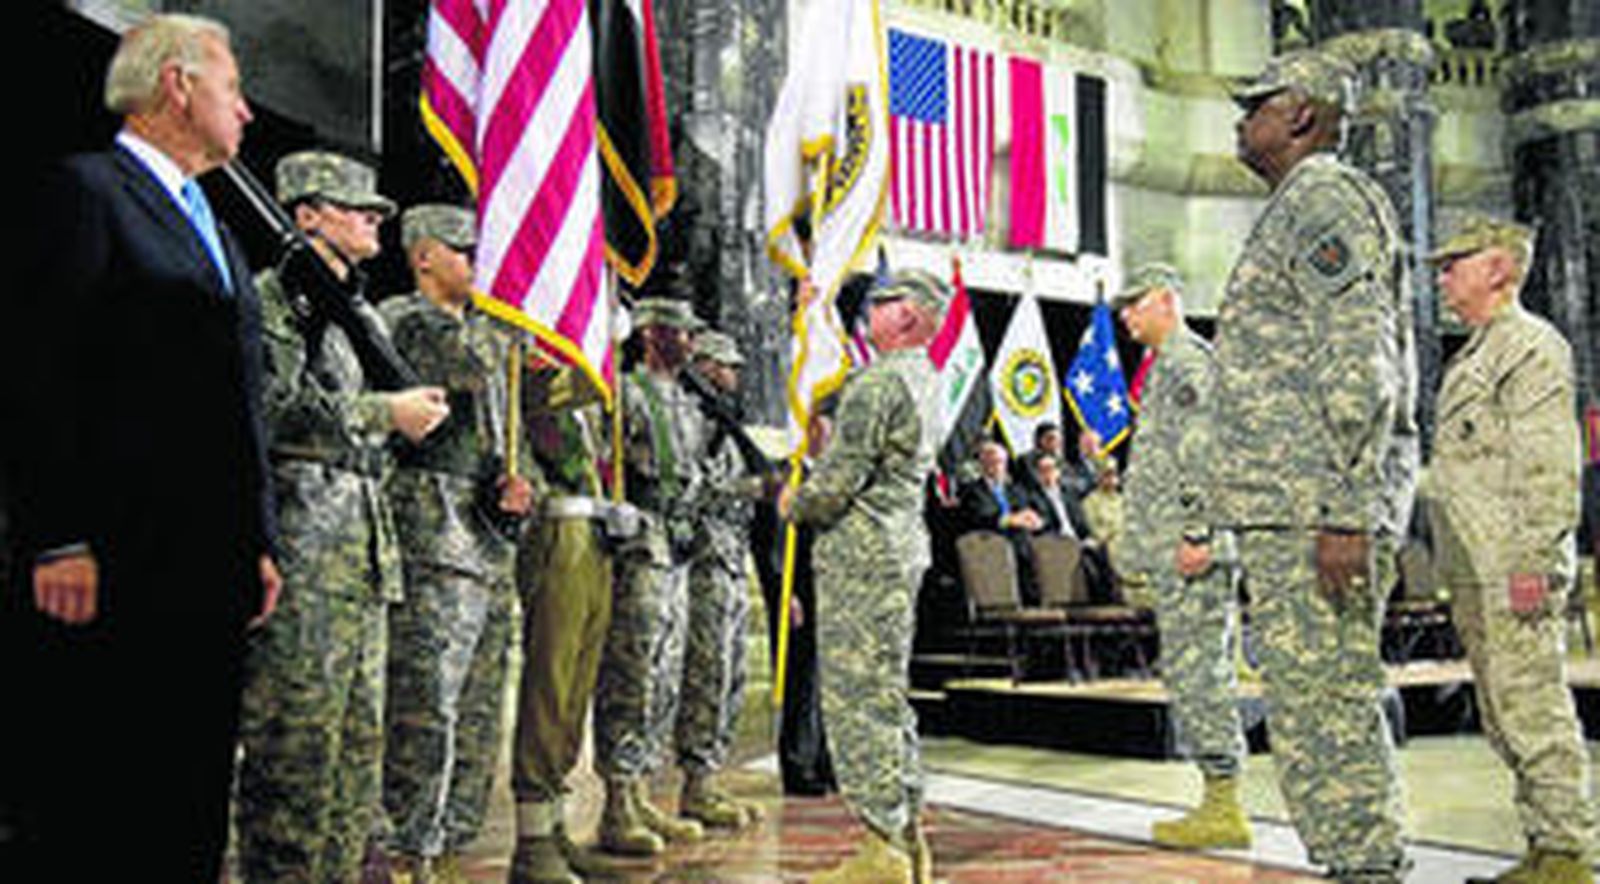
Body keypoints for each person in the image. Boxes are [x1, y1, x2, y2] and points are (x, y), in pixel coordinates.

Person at [8, 15, 277, 879]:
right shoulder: (87, 192)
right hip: (116, 565)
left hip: (208, 568)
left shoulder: (218, 229)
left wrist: (258, 537)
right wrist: (58, 534)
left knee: (189, 793)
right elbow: (38, 372)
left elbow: (238, 399)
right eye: (232, 88)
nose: (246, 111)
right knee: (103, 796)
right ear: (177, 86)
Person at [1210, 49, 1419, 882]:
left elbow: (1360, 363)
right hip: (1290, 507)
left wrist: (1344, 509)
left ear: (1301, 114)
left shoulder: (1324, 201)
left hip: (1313, 510)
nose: (1241, 122)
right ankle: (1356, 864)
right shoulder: (1300, 204)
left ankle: (1366, 868)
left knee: (1327, 706)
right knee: (1309, 708)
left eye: (1256, 106)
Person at [236, 151, 450, 883]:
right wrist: (382, 412)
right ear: (306, 216)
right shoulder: (274, 301)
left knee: (357, 754)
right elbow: (271, 411)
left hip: (361, 554)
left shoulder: (356, 312)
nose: (375, 220)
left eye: (378, 211)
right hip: (304, 551)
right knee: (295, 750)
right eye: (356, 209)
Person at [1425, 213, 1596, 884]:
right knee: (1503, 715)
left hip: (1512, 568)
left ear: (1498, 267)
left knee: (1533, 709)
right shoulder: (1479, 352)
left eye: (1454, 264)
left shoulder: (1529, 347)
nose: (1443, 278)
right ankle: (1545, 846)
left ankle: (1569, 853)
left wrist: (1530, 564)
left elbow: (1548, 465)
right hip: (1477, 568)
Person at [378, 204, 534, 880]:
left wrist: (516, 487)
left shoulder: (481, 332)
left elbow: (502, 426)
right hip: (430, 539)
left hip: (483, 541)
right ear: (423, 256)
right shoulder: (405, 321)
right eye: (465, 251)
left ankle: (449, 842)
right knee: (425, 705)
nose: (478, 264)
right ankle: (406, 846)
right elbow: (468, 366)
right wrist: (517, 302)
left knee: (477, 707)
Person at [781, 269, 949, 884]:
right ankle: (907, 838)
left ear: (906, 315)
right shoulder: (926, 377)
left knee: (857, 702)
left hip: (861, 558)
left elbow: (837, 484)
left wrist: (794, 502)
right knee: (887, 696)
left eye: (882, 302)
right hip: (899, 550)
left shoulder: (877, 382)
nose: (868, 312)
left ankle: (882, 850)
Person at [1113, 263, 1249, 848]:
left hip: (1192, 547)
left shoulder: (1188, 365)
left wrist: (1197, 532)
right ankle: (1218, 798)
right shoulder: (1167, 366)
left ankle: (1223, 805)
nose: (1125, 315)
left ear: (1166, 301)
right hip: (1177, 548)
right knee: (1194, 671)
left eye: (1134, 303)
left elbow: (1203, 454)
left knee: (1200, 675)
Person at [595, 297, 709, 855]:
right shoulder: (629, 393)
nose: (690, 341)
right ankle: (617, 799)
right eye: (680, 332)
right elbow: (604, 460)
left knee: (665, 673)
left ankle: (641, 789)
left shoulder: (686, 401)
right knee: (632, 671)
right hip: (641, 546)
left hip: (677, 547)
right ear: (650, 335)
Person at [508, 357, 616, 883]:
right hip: (555, 532)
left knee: (576, 690)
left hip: (591, 533)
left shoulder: (582, 397)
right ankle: (532, 843)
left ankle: (553, 828)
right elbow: (531, 408)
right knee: (550, 685)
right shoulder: (535, 376)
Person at [672, 329, 768, 830]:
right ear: (705, 364)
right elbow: (689, 488)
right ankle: (695, 783)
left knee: (731, 678)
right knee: (706, 676)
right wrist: (750, 488)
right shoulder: (691, 419)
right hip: (703, 563)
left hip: (731, 561)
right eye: (726, 366)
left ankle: (709, 777)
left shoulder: (724, 421)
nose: (733, 375)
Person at [958, 440, 1045, 602]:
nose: (996, 466)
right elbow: (980, 517)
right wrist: (1010, 520)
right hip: (991, 541)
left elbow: (1029, 510)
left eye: (1000, 462)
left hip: (1022, 538)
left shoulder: (1015, 490)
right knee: (1022, 551)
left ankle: (1039, 602)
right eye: (991, 461)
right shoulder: (973, 490)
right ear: (982, 464)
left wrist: (1034, 519)